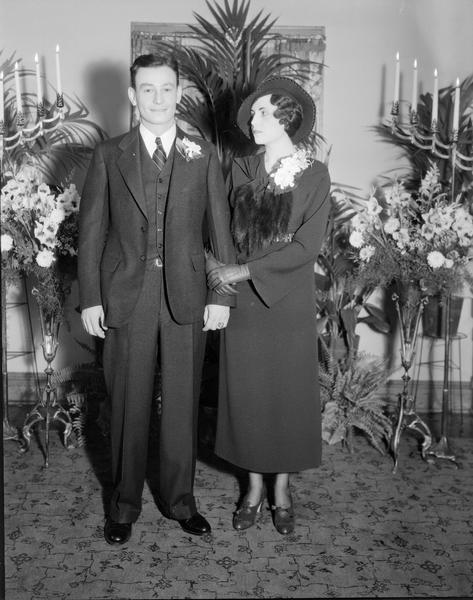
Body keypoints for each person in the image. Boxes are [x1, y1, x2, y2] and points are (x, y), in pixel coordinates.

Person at [78, 53, 235, 545]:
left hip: (187, 294)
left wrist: (222, 295)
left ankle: (180, 500)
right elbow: (91, 233)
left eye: (167, 88)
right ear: (132, 96)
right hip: (127, 294)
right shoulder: (109, 155)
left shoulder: (202, 152)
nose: (158, 98)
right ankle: (123, 506)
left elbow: (219, 230)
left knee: (184, 404)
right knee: (127, 401)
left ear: (178, 92)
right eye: (148, 89)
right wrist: (89, 299)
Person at [207, 77, 331, 535]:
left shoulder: (315, 174)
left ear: (286, 117)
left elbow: (306, 247)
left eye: (261, 113)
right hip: (244, 308)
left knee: (286, 398)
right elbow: (220, 233)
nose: (252, 121)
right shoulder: (240, 169)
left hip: (288, 301)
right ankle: (253, 488)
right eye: (254, 114)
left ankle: (282, 490)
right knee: (248, 398)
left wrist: (241, 272)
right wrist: (220, 275)